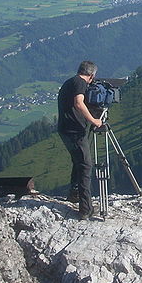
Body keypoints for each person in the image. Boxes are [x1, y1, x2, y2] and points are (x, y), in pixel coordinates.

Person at [57, 60, 103, 219]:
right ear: (91, 75)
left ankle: (74, 194)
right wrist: (94, 120)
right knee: (85, 165)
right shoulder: (80, 83)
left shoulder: (69, 82)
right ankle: (85, 209)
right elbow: (78, 103)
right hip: (74, 131)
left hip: (65, 129)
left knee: (78, 161)